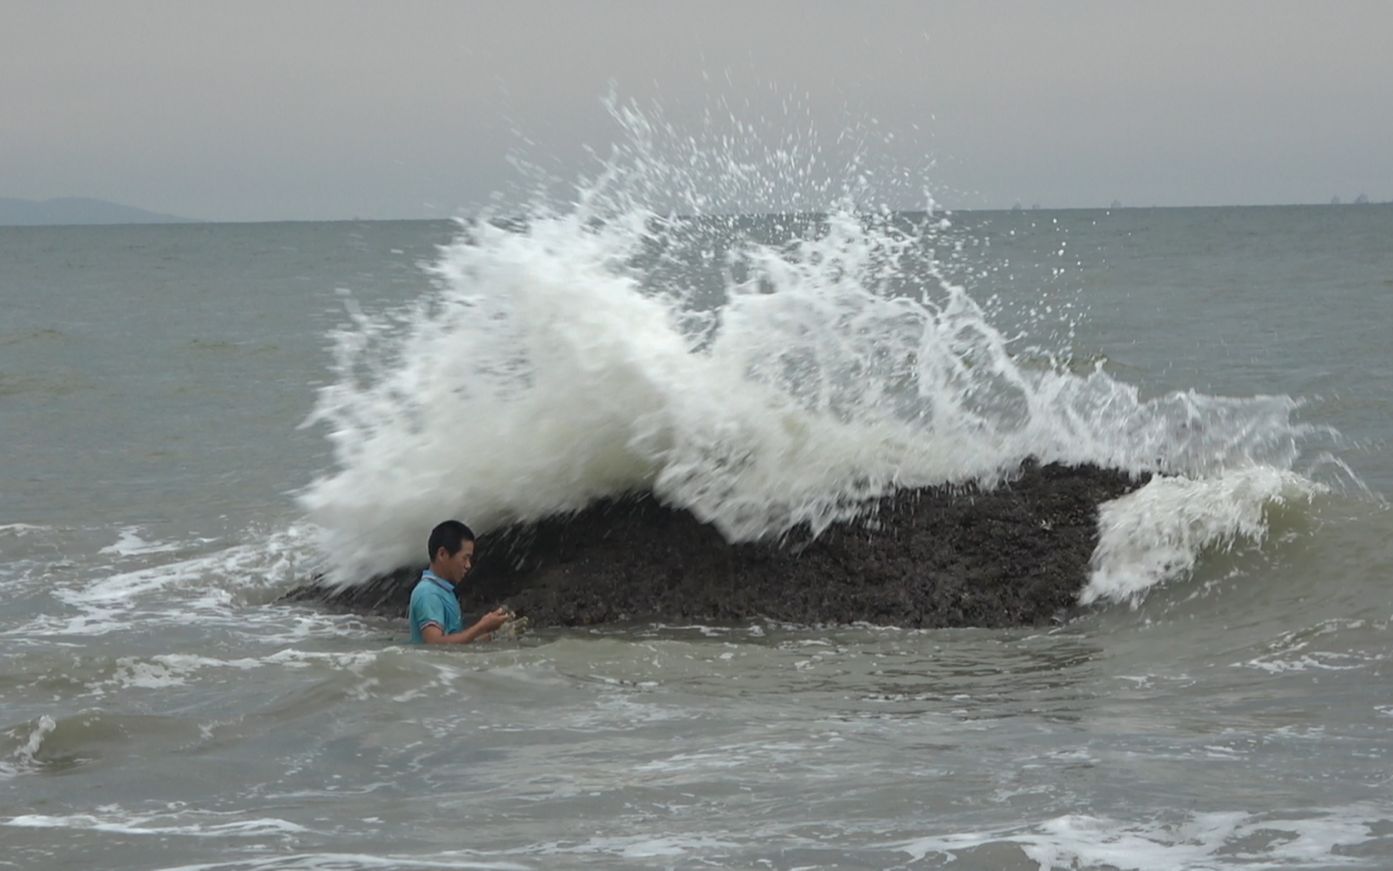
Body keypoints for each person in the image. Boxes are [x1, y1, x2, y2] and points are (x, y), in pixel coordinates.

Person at [409, 520, 510, 645]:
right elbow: (434, 645)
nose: (468, 565)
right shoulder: (428, 593)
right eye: (465, 558)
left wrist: (494, 634)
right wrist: (480, 627)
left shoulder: (444, 591)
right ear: (442, 554)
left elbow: (453, 644)